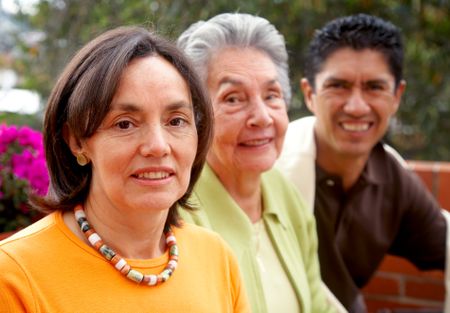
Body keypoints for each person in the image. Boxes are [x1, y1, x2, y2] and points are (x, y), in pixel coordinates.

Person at [0, 26, 250, 312]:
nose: (158, 146)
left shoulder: (216, 258)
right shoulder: (14, 277)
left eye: (176, 121)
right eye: (125, 123)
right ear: (77, 141)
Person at [276, 13, 447, 312]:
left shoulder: (391, 175)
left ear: (397, 96)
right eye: (338, 86)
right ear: (309, 94)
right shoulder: (271, 168)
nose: (356, 106)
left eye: (374, 87)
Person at [178, 13, 338, 313]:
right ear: (195, 116)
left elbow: (318, 305)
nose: (262, 117)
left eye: (272, 95)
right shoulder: (176, 216)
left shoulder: (285, 194)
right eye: (234, 99)